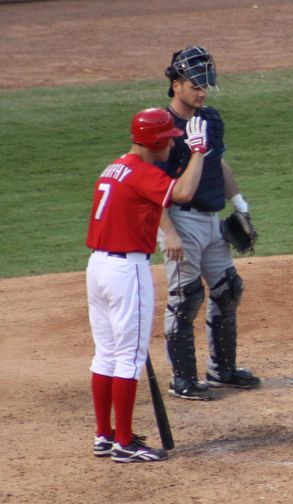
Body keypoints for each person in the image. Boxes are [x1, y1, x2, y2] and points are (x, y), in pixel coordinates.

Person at [86, 108, 208, 462]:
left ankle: (104, 435)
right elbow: (183, 193)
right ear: (154, 140)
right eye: (168, 138)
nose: (172, 143)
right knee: (128, 357)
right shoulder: (141, 173)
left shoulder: (114, 167)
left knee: (106, 354)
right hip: (126, 271)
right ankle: (124, 442)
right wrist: (198, 152)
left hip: (97, 267)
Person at [157, 46, 261, 401]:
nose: (201, 92)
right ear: (175, 84)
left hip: (212, 219)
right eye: (194, 85)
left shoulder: (211, 120)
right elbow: (150, 186)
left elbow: (218, 165)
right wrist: (167, 231)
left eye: (205, 86)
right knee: (186, 298)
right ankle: (182, 379)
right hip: (179, 220)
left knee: (228, 288)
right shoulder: (161, 127)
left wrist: (240, 204)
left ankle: (222, 370)